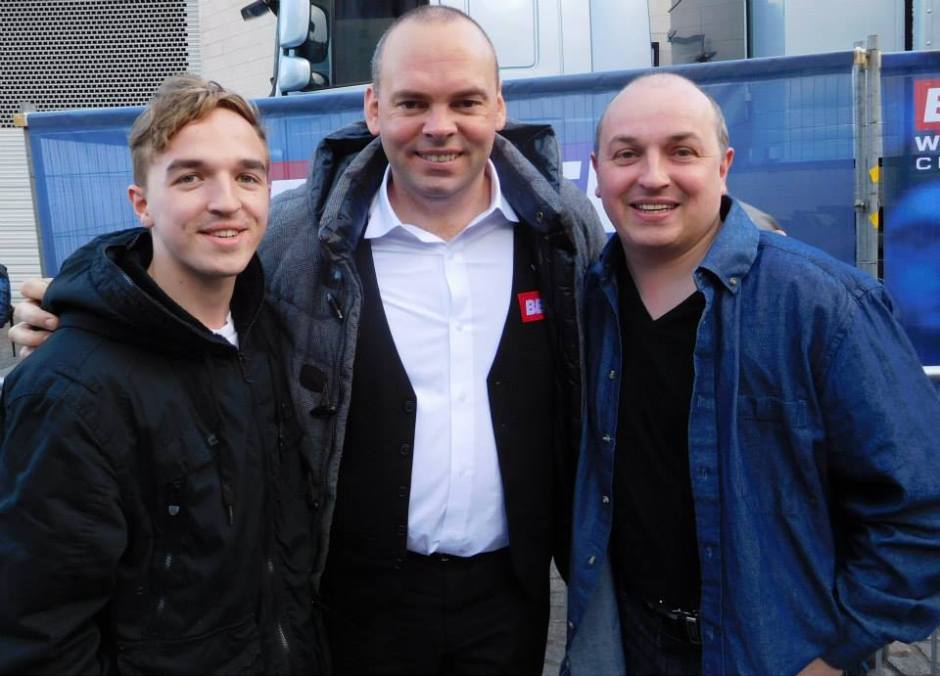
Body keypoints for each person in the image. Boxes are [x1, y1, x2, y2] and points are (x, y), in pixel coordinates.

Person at [11, 7, 605, 674]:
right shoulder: (296, 235)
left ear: (498, 106)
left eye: (464, 101)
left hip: (510, 604)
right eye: (412, 102)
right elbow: (176, 266)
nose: (439, 126)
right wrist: (79, 310)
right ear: (373, 109)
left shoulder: (563, 229)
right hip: (351, 608)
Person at [564, 72, 940, 676]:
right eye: (627, 154)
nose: (652, 176)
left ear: (724, 165)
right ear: (597, 172)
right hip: (628, 647)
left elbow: (920, 507)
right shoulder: (586, 306)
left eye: (681, 151)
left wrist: (837, 654)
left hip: (778, 657)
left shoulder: (824, 306)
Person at [0, 75, 322, 674]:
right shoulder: (69, 390)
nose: (226, 200)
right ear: (141, 202)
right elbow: (40, 637)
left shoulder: (273, 336)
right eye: (191, 177)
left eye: (247, 176)